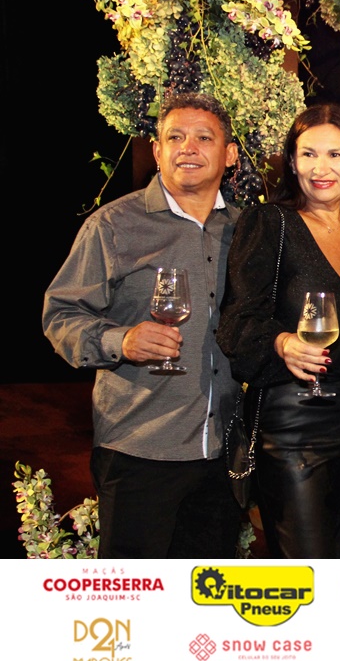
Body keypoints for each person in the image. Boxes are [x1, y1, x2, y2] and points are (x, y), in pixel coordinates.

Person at [43, 92, 243, 558]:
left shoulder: (245, 230)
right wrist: (122, 340)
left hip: (222, 453)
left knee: (204, 592)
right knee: (136, 595)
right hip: (139, 450)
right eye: (175, 137)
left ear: (230, 155)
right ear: (157, 150)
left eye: (203, 138)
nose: (187, 148)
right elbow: (60, 315)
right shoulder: (114, 225)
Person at [217, 103, 340, 558]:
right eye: (308, 154)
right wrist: (282, 343)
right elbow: (237, 320)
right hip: (295, 419)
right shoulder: (270, 223)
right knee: (306, 569)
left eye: (335, 154)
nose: (321, 168)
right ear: (292, 163)